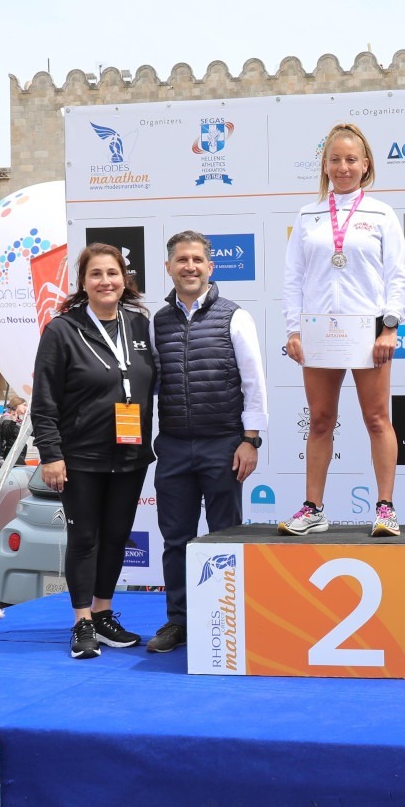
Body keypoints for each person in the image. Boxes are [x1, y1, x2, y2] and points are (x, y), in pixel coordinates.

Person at [281, 122, 405, 537]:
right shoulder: (308, 215)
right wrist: (294, 330)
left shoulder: (381, 213)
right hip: (318, 330)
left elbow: (397, 276)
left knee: (377, 418)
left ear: (365, 164)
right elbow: (293, 278)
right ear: (324, 165)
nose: (343, 167)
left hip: (368, 331)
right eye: (335, 159)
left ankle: (385, 509)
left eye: (351, 159)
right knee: (320, 420)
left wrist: (389, 328)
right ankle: (313, 508)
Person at [31, 243, 156, 659]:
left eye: (112, 273)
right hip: (80, 456)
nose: (106, 281)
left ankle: (103, 614)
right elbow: (44, 400)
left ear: (124, 279)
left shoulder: (139, 326)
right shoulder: (62, 330)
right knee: (85, 538)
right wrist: (51, 454)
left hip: (130, 454)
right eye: (96, 274)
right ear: (83, 283)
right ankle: (82, 621)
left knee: (117, 537)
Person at [147, 231, 268, 653]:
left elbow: (254, 382)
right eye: (182, 260)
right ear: (169, 267)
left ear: (210, 267)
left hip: (224, 445)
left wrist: (250, 440)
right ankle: (179, 622)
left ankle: (227, 618)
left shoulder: (235, 316)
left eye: (197, 259)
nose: (190, 267)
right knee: (175, 541)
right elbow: (150, 384)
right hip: (174, 446)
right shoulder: (157, 322)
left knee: (224, 538)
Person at [0, 395, 26, 460]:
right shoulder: (7, 418)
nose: (26, 407)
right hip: (11, 453)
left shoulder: (19, 420)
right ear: (16, 406)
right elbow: (7, 435)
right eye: (24, 405)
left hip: (19, 452)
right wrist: (13, 421)